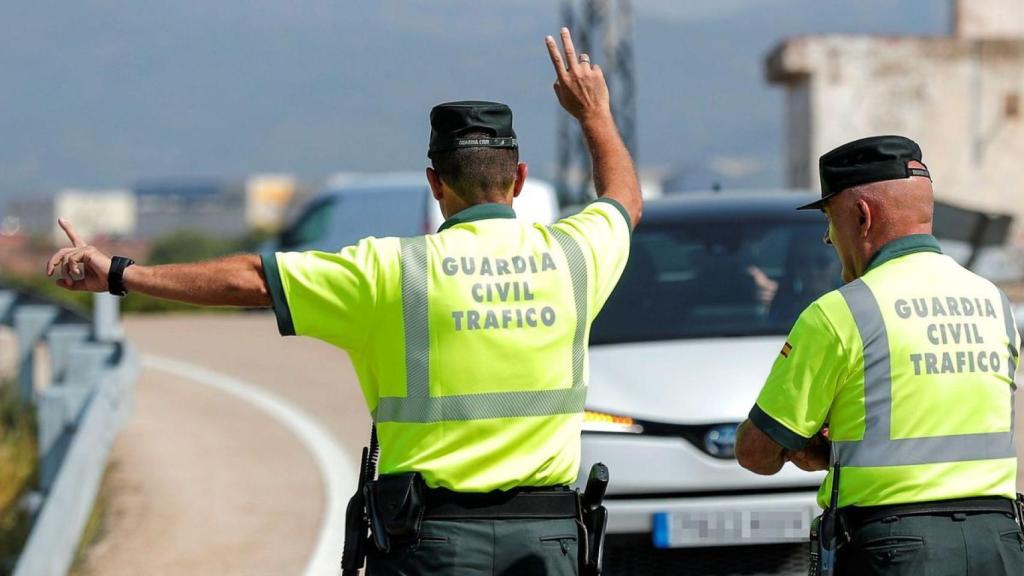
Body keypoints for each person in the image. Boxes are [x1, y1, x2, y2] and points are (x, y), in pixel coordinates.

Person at [45, 28, 641, 576]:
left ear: (435, 183)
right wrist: (594, 113)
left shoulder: (389, 270)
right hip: (547, 543)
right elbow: (623, 201)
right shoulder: (575, 255)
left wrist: (121, 273)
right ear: (519, 178)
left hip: (431, 546)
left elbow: (253, 279)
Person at [734, 135, 1023, 575]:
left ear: (862, 216)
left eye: (830, 219)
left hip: (897, 550)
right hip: (999, 544)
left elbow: (756, 453)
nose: (829, 238)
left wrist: (815, 449)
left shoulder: (840, 313)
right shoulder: (993, 302)